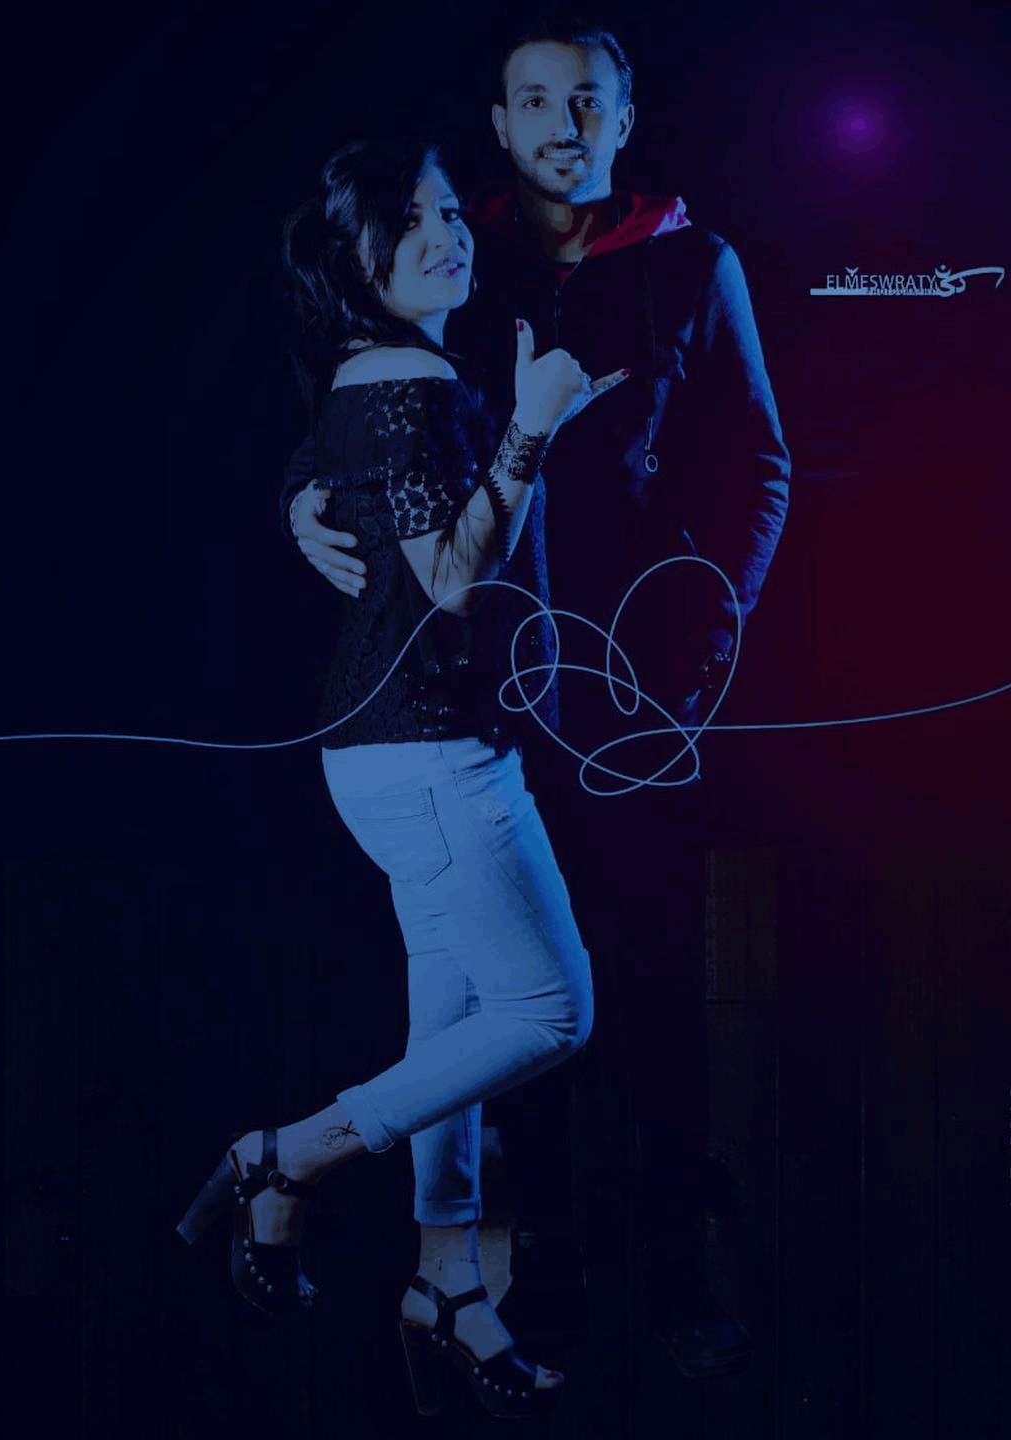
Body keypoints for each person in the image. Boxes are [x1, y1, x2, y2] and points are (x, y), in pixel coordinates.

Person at [283, 21, 790, 1381]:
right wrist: (298, 499)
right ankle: (524, 1291)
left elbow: (760, 467)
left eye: (589, 101)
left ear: (624, 118)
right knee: (499, 1012)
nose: (565, 124)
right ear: (501, 124)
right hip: (481, 702)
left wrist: (695, 663)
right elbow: (357, 385)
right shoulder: (464, 248)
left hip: (638, 709)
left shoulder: (692, 263)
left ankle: (673, 1291)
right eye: (536, 101)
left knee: (646, 995)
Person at [178, 137, 632, 1419]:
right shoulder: (407, 378)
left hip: (400, 756)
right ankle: (285, 1158)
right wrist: (531, 426)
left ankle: (446, 1282)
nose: (449, 234)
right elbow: (452, 584)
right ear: (357, 260)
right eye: (414, 220)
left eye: (450, 212)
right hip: (433, 759)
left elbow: (368, 491)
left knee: (454, 1034)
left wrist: (308, 492)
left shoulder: (373, 371)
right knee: (551, 1013)